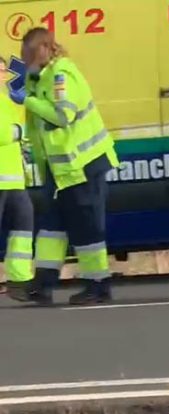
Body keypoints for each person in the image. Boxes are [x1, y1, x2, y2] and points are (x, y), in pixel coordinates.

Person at [6, 27, 119, 305]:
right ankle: (42, 285)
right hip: (61, 170)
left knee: (87, 229)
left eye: (29, 54)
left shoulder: (62, 75)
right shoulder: (40, 77)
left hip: (84, 165)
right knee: (51, 228)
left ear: (45, 49)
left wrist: (28, 99)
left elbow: (63, 116)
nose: (26, 59)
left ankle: (98, 286)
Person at [0, 56, 35, 294]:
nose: (3, 74)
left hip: (12, 178)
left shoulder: (4, 101)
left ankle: (20, 277)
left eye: (3, 70)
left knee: (23, 224)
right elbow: (4, 134)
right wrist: (20, 131)